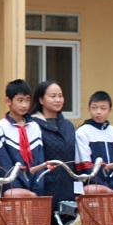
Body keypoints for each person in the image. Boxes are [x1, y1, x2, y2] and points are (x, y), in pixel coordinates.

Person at [0, 79, 44, 196]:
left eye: (27, 100)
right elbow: (3, 166)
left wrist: (36, 188)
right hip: (11, 191)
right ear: (8, 101)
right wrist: (21, 191)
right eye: (20, 100)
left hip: (35, 191)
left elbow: (39, 161)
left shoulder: (34, 127)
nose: (24, 105)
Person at [30, 80, 77, 209]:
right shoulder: (33, 125)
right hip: (45, 188)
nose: (58, 100)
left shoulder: (68, 125)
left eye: (60, 96)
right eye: (53, 96)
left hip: (68, 187)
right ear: (41, 100)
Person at [75, 91, 113, 192]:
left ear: (110, 110)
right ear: (89, 109)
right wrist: (104, 189)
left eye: (103, 108)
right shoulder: (83, 133)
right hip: (92, 190)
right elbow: (85, 165)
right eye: (94, 108)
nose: (98, 112)